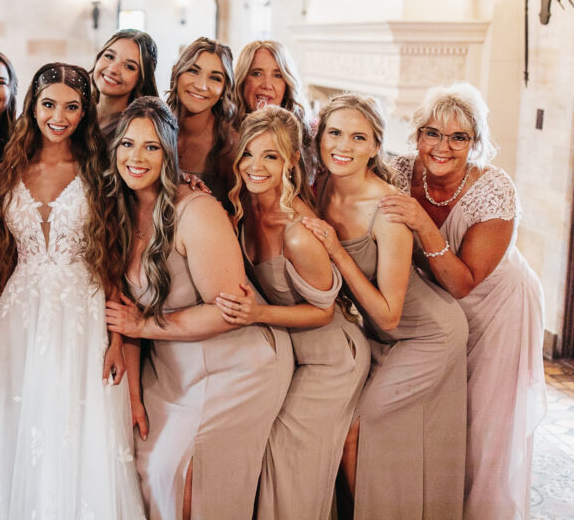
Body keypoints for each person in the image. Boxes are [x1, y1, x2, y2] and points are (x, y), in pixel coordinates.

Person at [0, 64, 144, 519]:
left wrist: (118, 339)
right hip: (18, 318)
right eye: (49, 104)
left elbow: (112, 258)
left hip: (84, 314)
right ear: (33, 107)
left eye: (72, 107)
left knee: (78, 430)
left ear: (85, 111)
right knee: (15, 425)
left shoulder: (101, 173)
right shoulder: (4, 173)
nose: (60, 116)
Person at [104, 97, 293, 520]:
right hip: (172, 370)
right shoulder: (116, 211)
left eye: (151, 147)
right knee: (146, 468)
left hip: (237, 365)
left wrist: (144, 325)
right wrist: (133, 397)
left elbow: (226, 311)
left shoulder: (196, 210)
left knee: (188, 479)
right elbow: (124, 316)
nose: (136, 157)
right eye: (128, 145)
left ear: (168, 154)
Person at [381, 82, 546, 519]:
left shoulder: (495, 189)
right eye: (432, 133)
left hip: (497, 305)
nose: (442, 146)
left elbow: (463, 283)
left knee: (483, 421)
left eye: (459, 137)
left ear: (475, 143)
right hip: (435, 310)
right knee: (439, 413)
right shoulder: (397, 172)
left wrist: (422, 223)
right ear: (417, 135)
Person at [301, 93, 468, 518]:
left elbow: (390, 312)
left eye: (359, 137)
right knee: (343, 424)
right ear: (319, 138)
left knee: (357, 427)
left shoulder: (388, 210)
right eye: (335, 133)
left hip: (428, 334)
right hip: (379, 336)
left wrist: (337, 251)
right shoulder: (320, 187)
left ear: (376, 146)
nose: (343, 146)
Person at [216, 106, 369, 520]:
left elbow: (323, 314)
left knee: (288, 457)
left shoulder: (300, 232)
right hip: (289, 356)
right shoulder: (241, 210)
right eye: (248, 153)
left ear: (291, 162)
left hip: (331, 359)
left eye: (271, 156)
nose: (255, 166)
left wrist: (255, 314)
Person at [165, 37, 238, 211]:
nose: (201, 85)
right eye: (193, 71)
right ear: (176, 73)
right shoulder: (153, 125)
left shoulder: (232, 145)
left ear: (224, 89)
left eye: (215, 78)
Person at [230, 40, 315, 177]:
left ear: (287, 83)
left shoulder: (308, 136)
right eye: (257, 73)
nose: (267, 85)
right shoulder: (223, 132)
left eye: (277, 75)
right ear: (242, 79)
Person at [89, 29, 159, 138]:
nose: (113, 69)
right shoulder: (77, 112)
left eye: (129, 66)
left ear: (141, 79)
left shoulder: (135, 130)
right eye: (109, 56)